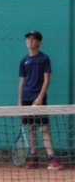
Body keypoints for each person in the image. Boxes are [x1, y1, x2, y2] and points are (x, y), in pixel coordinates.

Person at [18, 30, 63, 170]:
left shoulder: (44, 58)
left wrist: (40, 97)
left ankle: (52, 160)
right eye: (28, 39)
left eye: (33, 39)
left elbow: (46, 79)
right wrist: (19, 102)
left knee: (44, 128)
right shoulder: (23, 61)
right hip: (26, 98)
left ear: (39, 42)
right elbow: (21, 82)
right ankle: (34, 159)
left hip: (38, 99)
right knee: (31, 128)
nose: (30, 41)